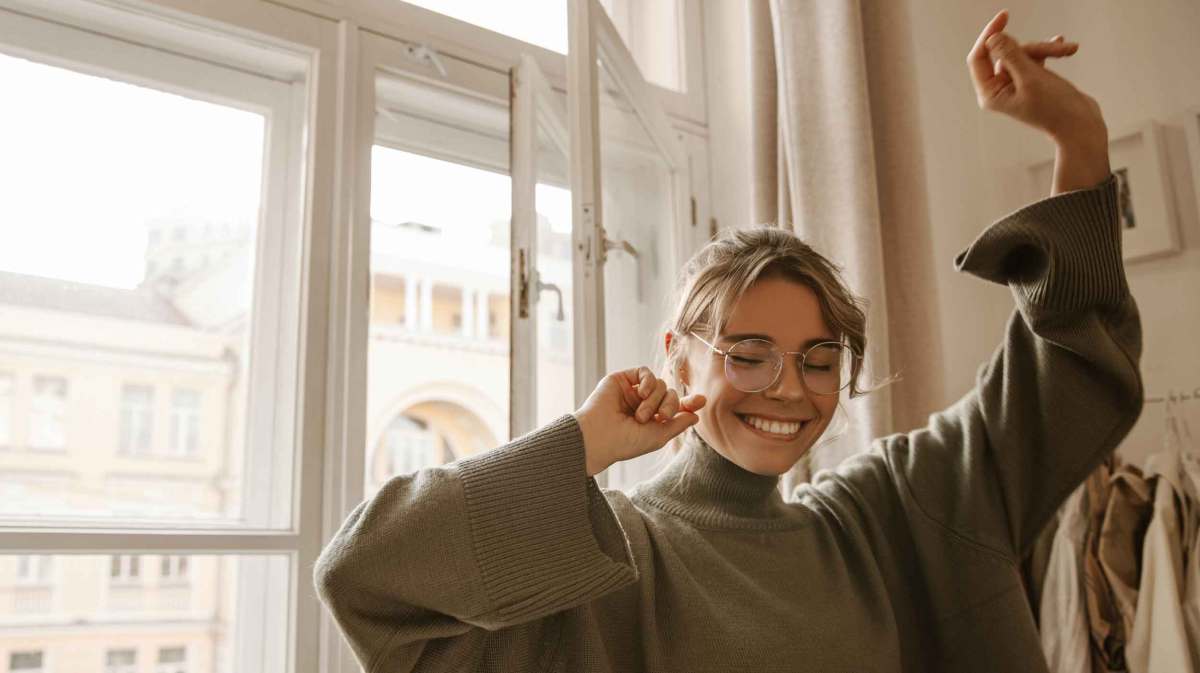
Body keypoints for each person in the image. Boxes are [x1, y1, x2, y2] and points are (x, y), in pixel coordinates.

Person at [314, 9, 1143, 672]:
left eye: (821, 359)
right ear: (678, 355)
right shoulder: (613, 554)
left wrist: (1078, 138)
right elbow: (365, 575)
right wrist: (583, 446)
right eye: (748, 353)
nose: (789, 387)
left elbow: (1059, 382)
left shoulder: (883, 517)